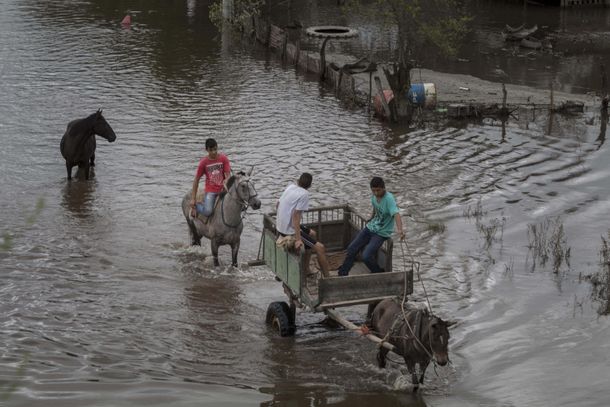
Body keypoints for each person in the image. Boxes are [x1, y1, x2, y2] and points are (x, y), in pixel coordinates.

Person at [338, 177, 405, 276]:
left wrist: (400, 230)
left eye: (378, 190)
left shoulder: (389, 199)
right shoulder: (374, 197)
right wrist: (371, 217)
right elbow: (375, 208)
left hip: (381, 232)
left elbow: (396, 214)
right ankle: (343, 273)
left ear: (383, 188)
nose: (376, 193)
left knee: (366, 256)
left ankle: (377, 272)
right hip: (371, 227)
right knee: (351, 248)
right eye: (374, 191)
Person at [276, 173, 330, 278]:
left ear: (298, 181)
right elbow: (296, 216)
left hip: (282, 227)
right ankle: (328, 278)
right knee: (320, 248)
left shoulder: (290, 187)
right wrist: (298, 239)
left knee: (313, 234)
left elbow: (277, 204)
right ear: (309, 186)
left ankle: (306, 269)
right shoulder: (304, 194)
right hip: (289, 231)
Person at [190, 138, 231, 219]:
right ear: (207, 150)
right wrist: (193, 199)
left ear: (217, 147)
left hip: (223, 189)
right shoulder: (203, 163)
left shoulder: (223, 159)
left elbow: (228, 175)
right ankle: (196, 207)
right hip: (211, 191)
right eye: (211, 150)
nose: (214, 152)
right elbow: (196, 180)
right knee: (208, 211)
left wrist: (226, 180)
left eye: (215, 149)